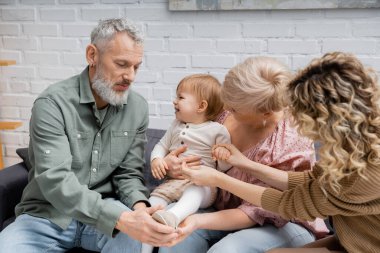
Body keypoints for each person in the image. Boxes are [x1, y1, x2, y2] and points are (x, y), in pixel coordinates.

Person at [0, 18, 179, 253]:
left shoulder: (137, 108)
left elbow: (128, 174)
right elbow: (56, 182)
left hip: (109, 213)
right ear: (92, 55)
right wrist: (120, 219)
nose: (131, 76)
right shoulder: (52, 104)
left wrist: (139, 209)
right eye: (122, 64)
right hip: (47, 215)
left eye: (136, 66)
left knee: (136, 243)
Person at [181, 52, 380, 253]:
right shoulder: (351, 146)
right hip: (351, 238)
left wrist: (219, 179)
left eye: (301, 115)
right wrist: (245, 163)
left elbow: (288, 203)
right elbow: (311, 180)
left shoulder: (365, 172)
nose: (295, 120)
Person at [158, 56, 329, 253]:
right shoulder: (222, 110)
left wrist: (197, 220)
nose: (226, 109)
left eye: (235, 108)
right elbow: (183, 145)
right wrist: (172, 165)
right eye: (227, 99)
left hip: (280, 224)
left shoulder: (289, 141)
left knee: (225, 251)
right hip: (217, 208)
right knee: (170, 236)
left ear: (265, 113)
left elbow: (261, 209)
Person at [141, 74, 231, 253]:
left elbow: (223, 168)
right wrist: (157, 159)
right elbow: (161, 145)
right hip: (173, 183)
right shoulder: (176, 125)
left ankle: (174, 215)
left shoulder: (217, 130)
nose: (175, 102)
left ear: (201, 106)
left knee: (195, 190)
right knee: (151, 206)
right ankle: (145, 250)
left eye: (181, 97)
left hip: (202, 184)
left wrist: (222, 156)